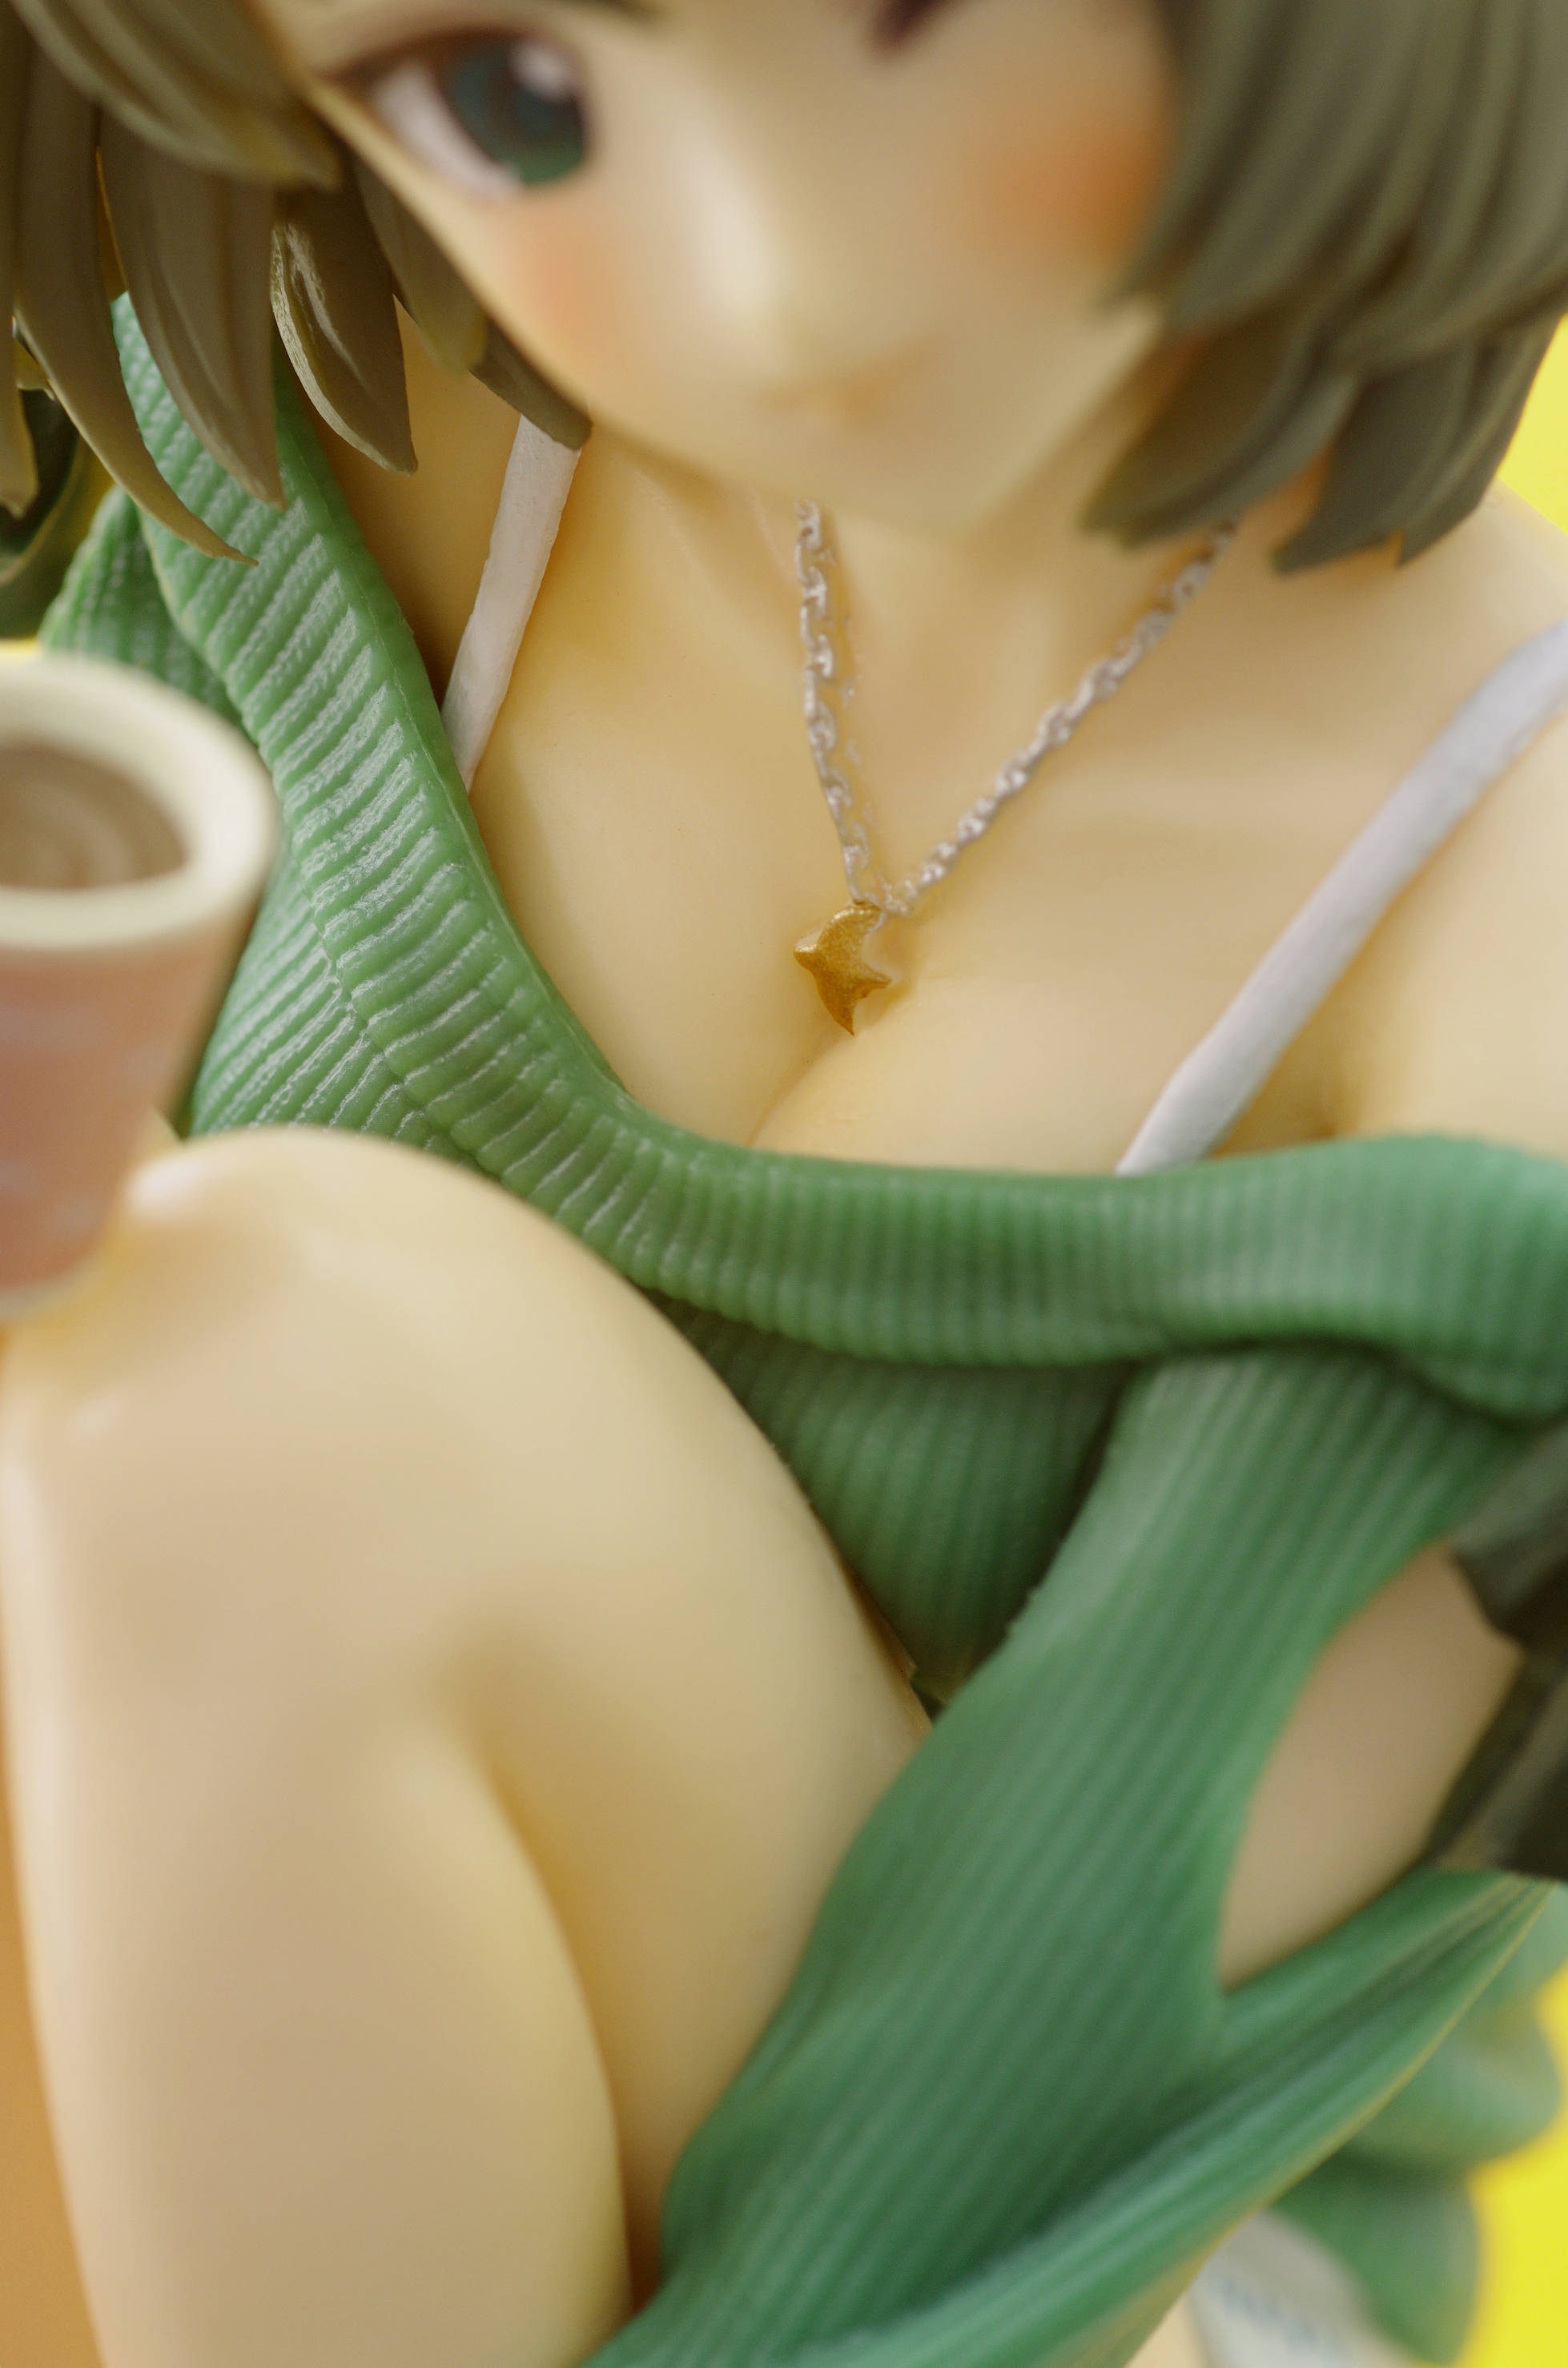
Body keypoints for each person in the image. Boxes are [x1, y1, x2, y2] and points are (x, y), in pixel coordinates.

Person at [2, 3, 1567, 2366]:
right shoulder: (367, 431)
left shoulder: (1506, 932)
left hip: (1049, 2279)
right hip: (220, 2130)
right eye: (514, 97)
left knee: (247, 1380)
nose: (777, 294)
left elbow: (1028, 2122)